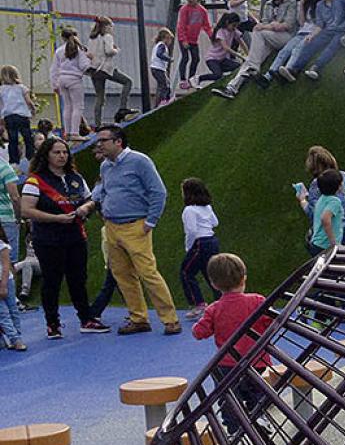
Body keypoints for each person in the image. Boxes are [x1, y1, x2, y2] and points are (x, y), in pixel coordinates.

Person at [88, 124, 180, 335]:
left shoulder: (140, 161)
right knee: (122, 275)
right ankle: (138, 318)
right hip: (112, 226)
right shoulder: (105, 166)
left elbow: (158, 192)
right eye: (98, 141)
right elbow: (104, 189)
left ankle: (170, 319)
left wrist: (151, 221)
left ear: (118, 142)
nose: (99, 144)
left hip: (136, 225)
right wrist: (97, 203)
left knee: (148, 273)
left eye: (103, 140)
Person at [20, 137, 106, 337]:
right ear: (46, 155)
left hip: (75, 236)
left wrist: (86, 207)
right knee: (52, 281)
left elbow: (90, 198)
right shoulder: (35, 181)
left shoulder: (75, 177)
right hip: (48, 239)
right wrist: (55, 218)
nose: (61, 156)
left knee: (78, 279)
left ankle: (86, 319)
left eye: (65, 152)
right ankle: (53, 324)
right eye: (56, 152)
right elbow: (26, 210)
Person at [192, 253, 273, 429]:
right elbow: (273, 321)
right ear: (244, 278)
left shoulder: (214, 309)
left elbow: (199, 332)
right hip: (256, 360)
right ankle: (259, 417)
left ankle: (233, 429)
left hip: (227, 364)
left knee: (228, 398)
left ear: (213, 284)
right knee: (257, 392)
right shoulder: (257, 301)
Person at [224, 0, 301, 95]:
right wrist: (268, 26)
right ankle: (232, 88)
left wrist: (268, 26)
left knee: (258, 32)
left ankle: (254, 67)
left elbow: (287, 25)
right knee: (251, 58)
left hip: (286, 37)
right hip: (269, 37)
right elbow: (264, 22)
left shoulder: (291, 2)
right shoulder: (268, 4)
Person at [279, 0, 345, 81]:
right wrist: (311, 35)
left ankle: (316, 68)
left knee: (332, 45)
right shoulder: (319, 5)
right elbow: (320, 25)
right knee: (310, 43)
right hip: (328, 31)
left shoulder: (342, 0)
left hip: (343, 31)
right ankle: (294, 70)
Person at [302, 147, 345, 244]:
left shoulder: (316, 184)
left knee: (310, 239)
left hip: (331, 234)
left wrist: (303, 200)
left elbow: (314, 215)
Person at [179, 177, 220, 321]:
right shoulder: (207, 207)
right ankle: (221, 302)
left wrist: (189, 247)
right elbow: (215, 222)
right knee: (211, 273)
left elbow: (191, 231)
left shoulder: (189, 210)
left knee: (186, 272)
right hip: (212, 241)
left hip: (200, 243)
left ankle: (198, 303)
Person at [85, 16, 134, 125]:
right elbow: (108, 51)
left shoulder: (92, 38)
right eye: (111, 27)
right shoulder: (107, 36)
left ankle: (97, 124)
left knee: (100, 97)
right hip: (105, 68)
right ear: (106, 27)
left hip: (94, 70)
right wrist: (116, 50)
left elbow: (90, 53)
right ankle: (123, 108)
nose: (112, 29)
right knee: (127, 82)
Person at [50, 27, 90, 136]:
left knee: (67, 106)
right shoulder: (79, 49)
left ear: (62, 38)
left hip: (62, 79)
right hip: (74, 80)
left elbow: (54, 69)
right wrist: (90, 60)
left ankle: (67, 132)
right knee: (77, 106)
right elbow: (84, 66)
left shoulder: (59, 50)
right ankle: (75, 132)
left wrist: (55, 84)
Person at [299, 168, 345, 255]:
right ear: (338, 187)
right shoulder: (334, 202)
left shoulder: (321, 199)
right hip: (325, 246)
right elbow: (325, 219)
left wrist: (302, 200)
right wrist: (334, 244)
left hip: (316, 243)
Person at [175, 0, 213, 91]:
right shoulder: (184, 9)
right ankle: (183, 79)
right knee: (185, 57)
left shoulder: (202, 11)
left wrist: (211, 36)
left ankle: (191, 79)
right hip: (184, 38)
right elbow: (181, 25)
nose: (190, 0)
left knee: (196, 58)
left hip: (193, 39)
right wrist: (183, 40)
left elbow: (206, 26)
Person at [196, 13, 244, 86]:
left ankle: (230, 82)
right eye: (233, 25)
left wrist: (249, 54)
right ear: (227, 22)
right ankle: (199, 78)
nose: (234, 28)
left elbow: (242, 42)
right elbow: (226, 47)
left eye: (236, 26)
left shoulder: (234, 31)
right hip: (212, 59)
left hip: (222, 59)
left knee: (238, 66)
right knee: (217, 75)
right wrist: (241, 56)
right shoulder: (220, 32)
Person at [1, 64, 34, 163]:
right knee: (27, 137)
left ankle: (14, 160)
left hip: (9, 116)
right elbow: (28, 101)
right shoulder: (22, 88)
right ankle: (30, 157)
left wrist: (1, 118)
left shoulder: (1, 89)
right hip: (22, 115)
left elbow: (0, 105)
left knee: (13, 139)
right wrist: (33, 109)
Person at [148, 29, 175, 106]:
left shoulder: (157, 45)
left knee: (164, 84)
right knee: (164, 85)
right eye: (170, 39)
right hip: (158, 68)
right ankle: (163, 101)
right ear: (166, 38)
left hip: (156, 68)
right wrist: (169, 59)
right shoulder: (162, 45)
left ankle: (163, 100)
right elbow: (159, 54)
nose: (170, 42)